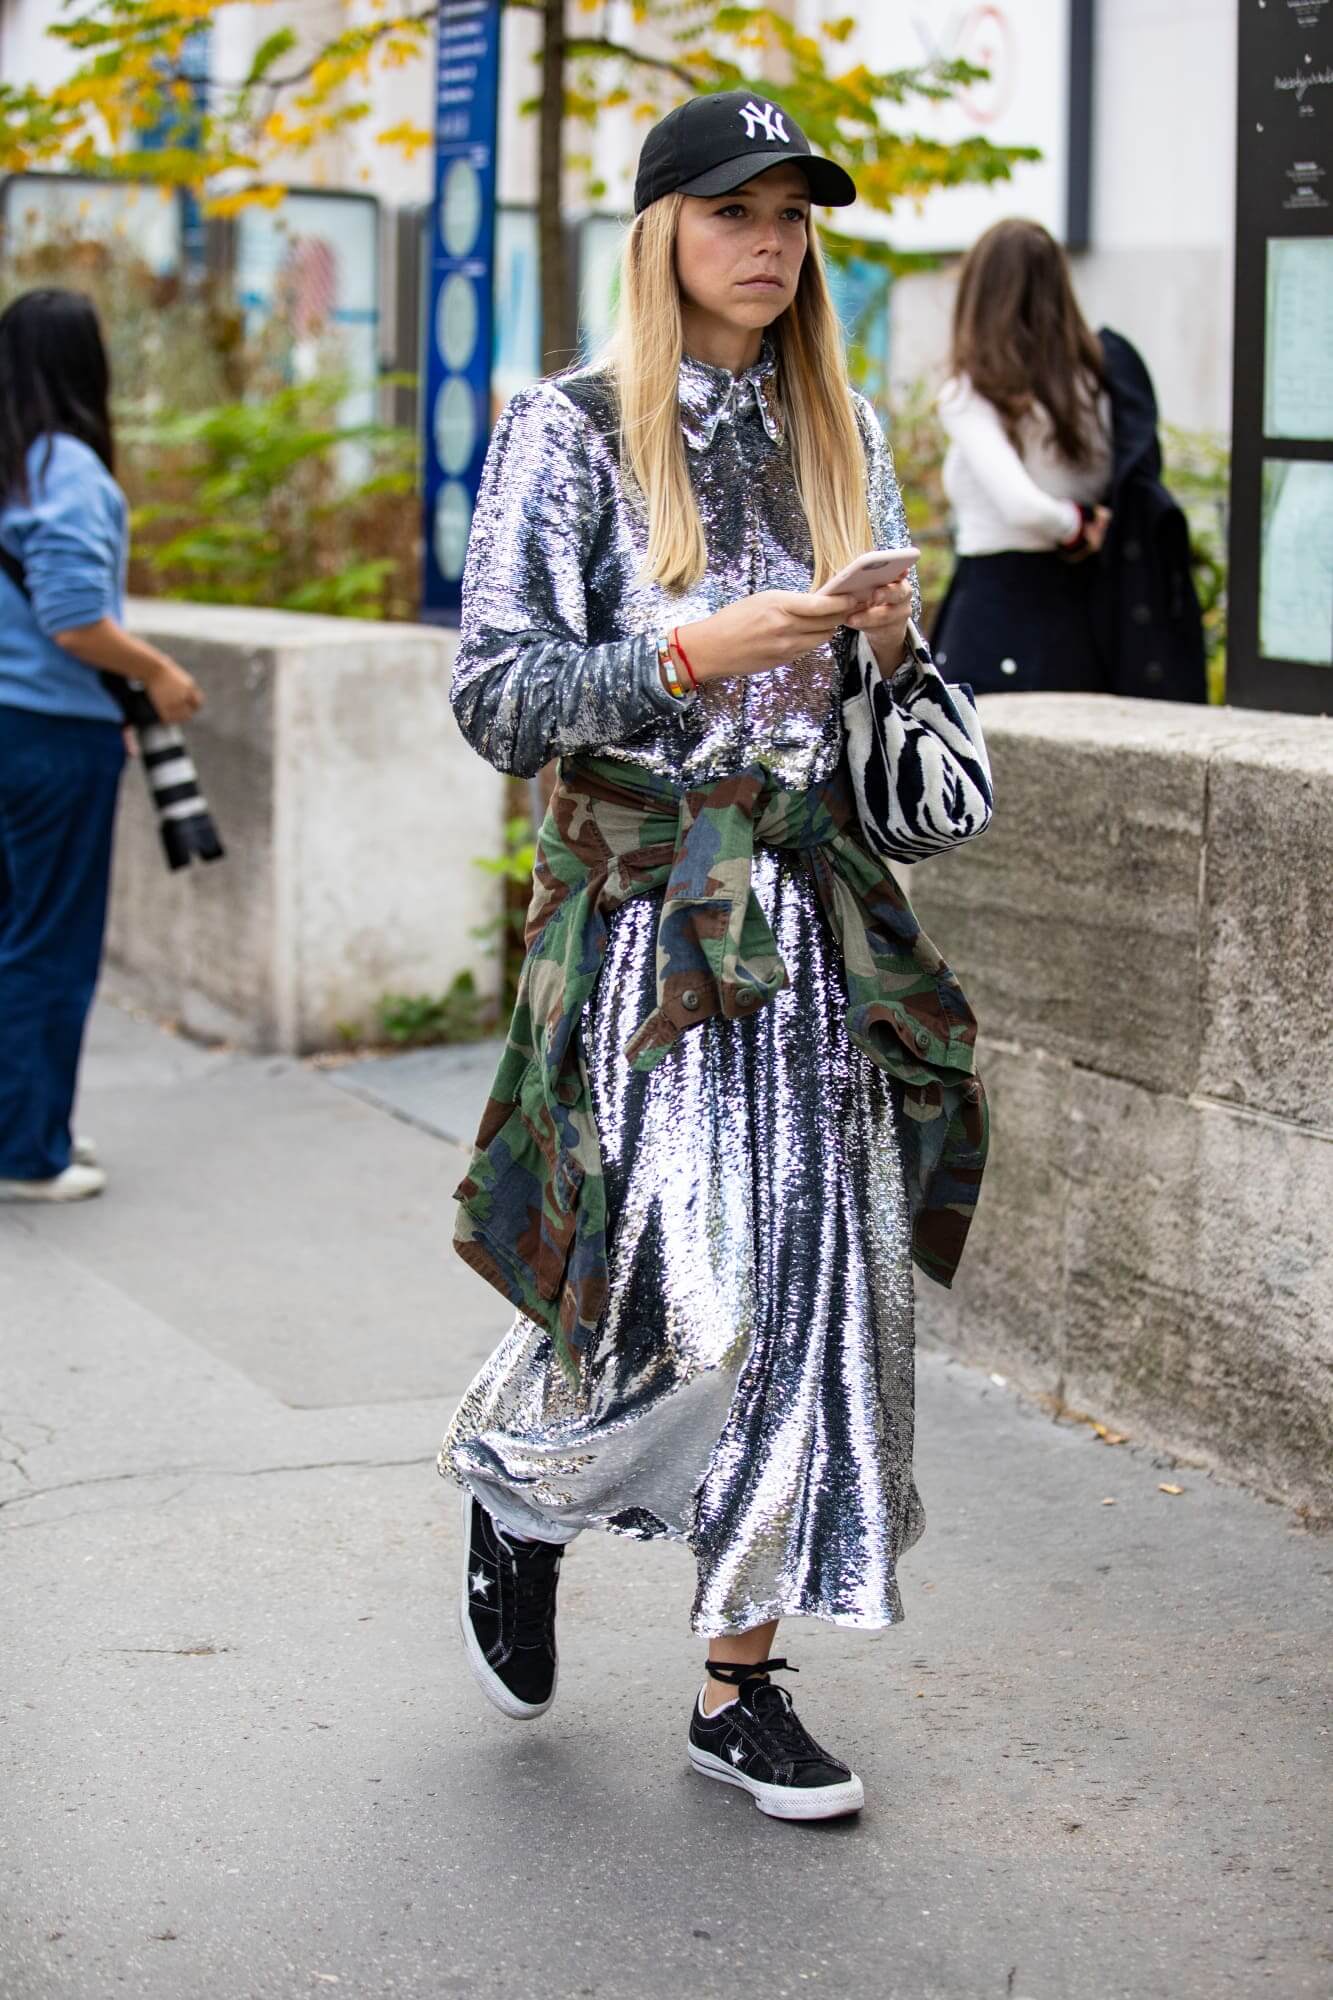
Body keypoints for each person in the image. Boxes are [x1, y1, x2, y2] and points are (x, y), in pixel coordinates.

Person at [439, 92, 990, 1823]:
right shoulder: (571, 428)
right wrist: (683, 654)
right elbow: (494, 694)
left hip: (810, 937)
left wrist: (894, 655)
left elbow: (892, 764)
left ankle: (736, 1685)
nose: (766, 240)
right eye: (730, 208)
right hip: (649, 933)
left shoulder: (842, 433)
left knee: (814, 1313)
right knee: (685, 1304)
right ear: (661, 228)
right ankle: (520, 1486)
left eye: (790, 214)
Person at [0, 288, 203, 1204]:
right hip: (48, 736)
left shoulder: (11, 466)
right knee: (49, 942)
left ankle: (20, 1121)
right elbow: (76, 616)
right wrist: (157, 673)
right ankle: (28, 1152)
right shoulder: (66, 469)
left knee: (15, 934)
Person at [930, 218, 1205, 703]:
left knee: (975, 772)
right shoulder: (1096, 382)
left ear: (981, 293)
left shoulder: (972, 390)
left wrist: (1073, 523)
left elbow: (1022, 507)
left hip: (992, 608)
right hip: (1080, 614)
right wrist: (1087, 525)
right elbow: (1105, 479)